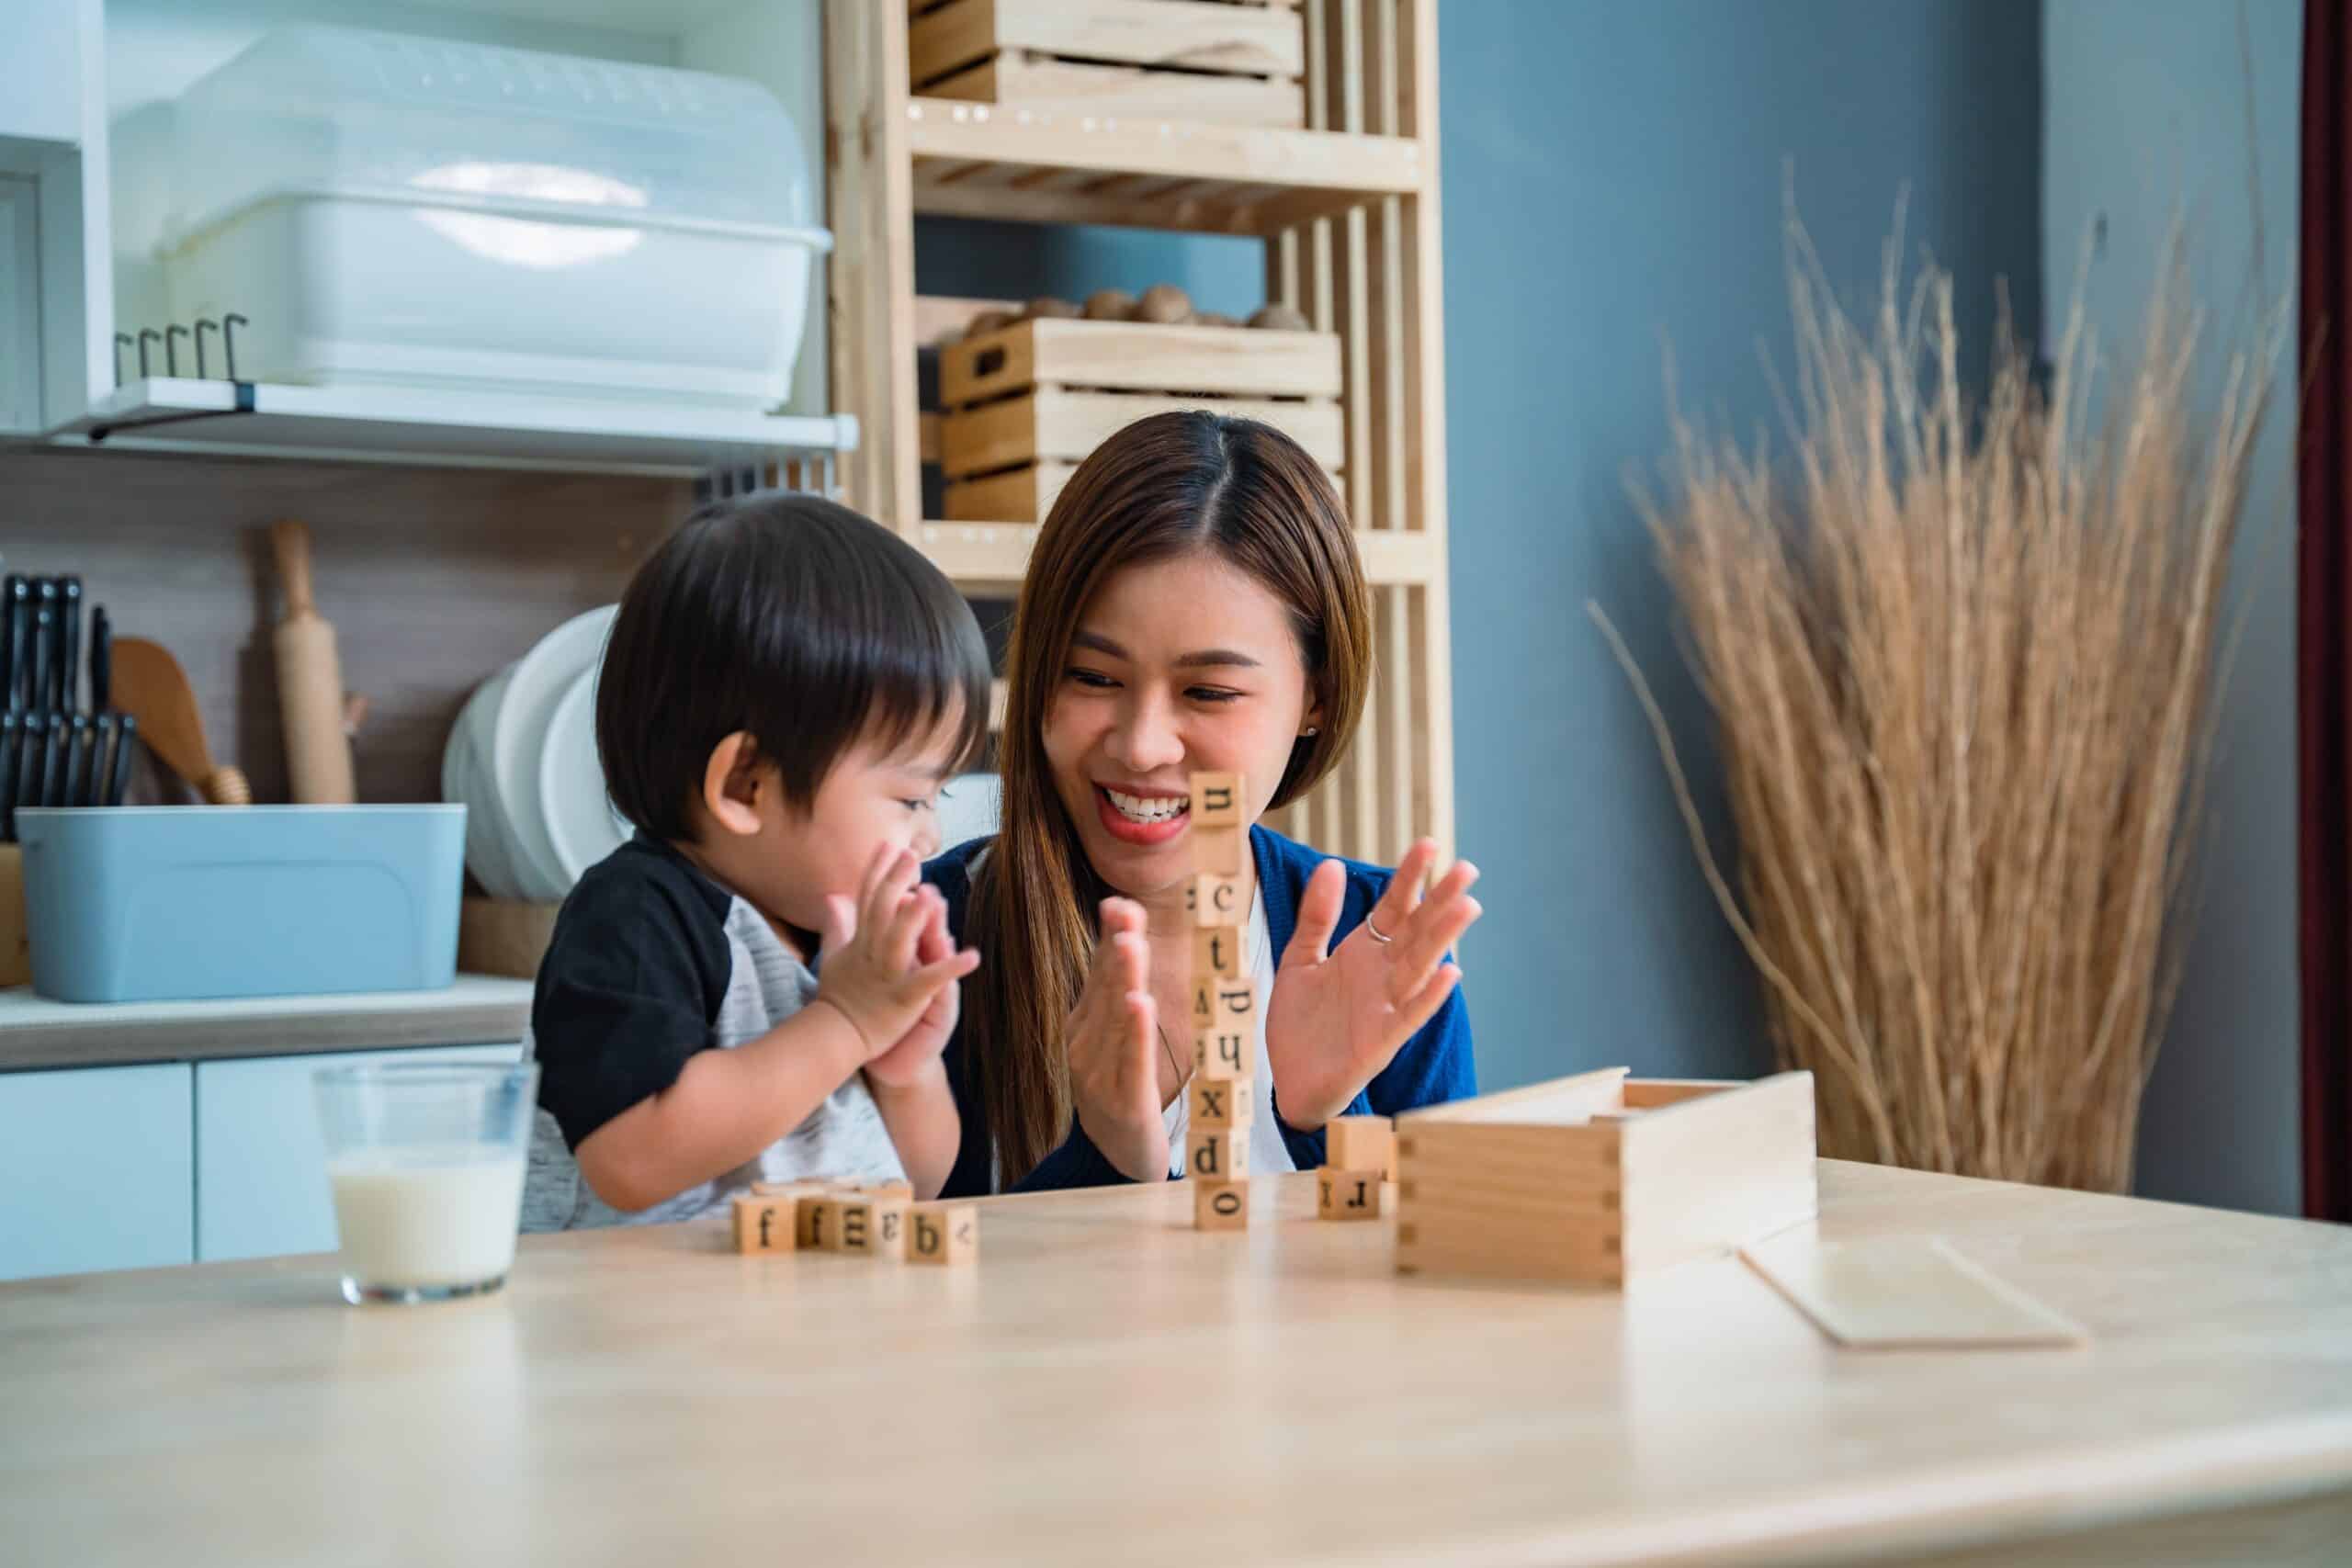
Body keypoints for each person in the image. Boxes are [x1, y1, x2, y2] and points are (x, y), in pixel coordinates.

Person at [929, 412, 1483, 1194]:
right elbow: (902, 1300)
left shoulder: (1379, 945)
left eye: (1209, 691)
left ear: (1314, 699)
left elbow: (1435, 1295)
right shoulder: (927, 935)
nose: (1142, 744)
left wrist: (1323, 1118)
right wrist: (1110, 1155)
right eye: (1093, 676)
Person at [520, 493, 990, 1230]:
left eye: (938, 795)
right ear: (746, 785)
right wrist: (845, 1023)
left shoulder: (843, 945)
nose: (929, 838)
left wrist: (905, 1069)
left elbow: (922, 1181)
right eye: (908, 799)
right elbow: (629, 1160)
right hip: (640, 1330)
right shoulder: (639, 917)